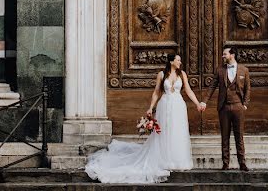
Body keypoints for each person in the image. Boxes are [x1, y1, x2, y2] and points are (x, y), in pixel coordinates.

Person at [85, 54, 205, 183]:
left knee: (177, 132)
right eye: (178, 60)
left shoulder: (182, 74)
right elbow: (156, 92)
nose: (180, 62)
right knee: (163, 132)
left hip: (178, 106)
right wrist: (151, 107)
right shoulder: (161, 74)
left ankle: (177, 160)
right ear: (171, 61)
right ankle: (163, 159)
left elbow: (188, 90)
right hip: (164, 105)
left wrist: (197, 103)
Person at [202, 46, 251, 171]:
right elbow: (212, 87)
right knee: (225, 136)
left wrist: (244, 104)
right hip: (224, 107)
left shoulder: (244, 70)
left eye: (225, 54)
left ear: (232, 55)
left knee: (239, 135)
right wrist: (204, 101)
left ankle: (242, 163)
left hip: (238, 106)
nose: (223, 56)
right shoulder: (220, 70)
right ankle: (225, 163)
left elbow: (248, 89)